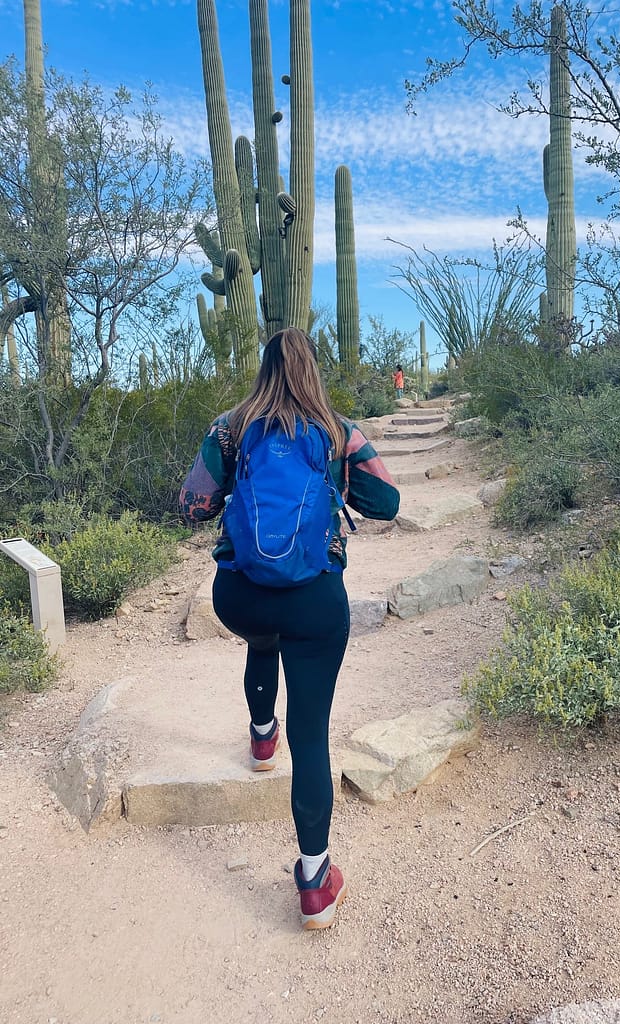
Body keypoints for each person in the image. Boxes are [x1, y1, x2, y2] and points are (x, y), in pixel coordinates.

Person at [179, 327, 400, 931]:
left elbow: (190, 505)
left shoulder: (230, 426)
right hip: (314, 603)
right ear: (311, 369)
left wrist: (236, 502)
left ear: (264, 368)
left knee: (261, 638)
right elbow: (387, 502)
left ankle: (257, 737)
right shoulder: (337, 430)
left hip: (241, 596)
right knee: (312, 731)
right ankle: (315, 880)